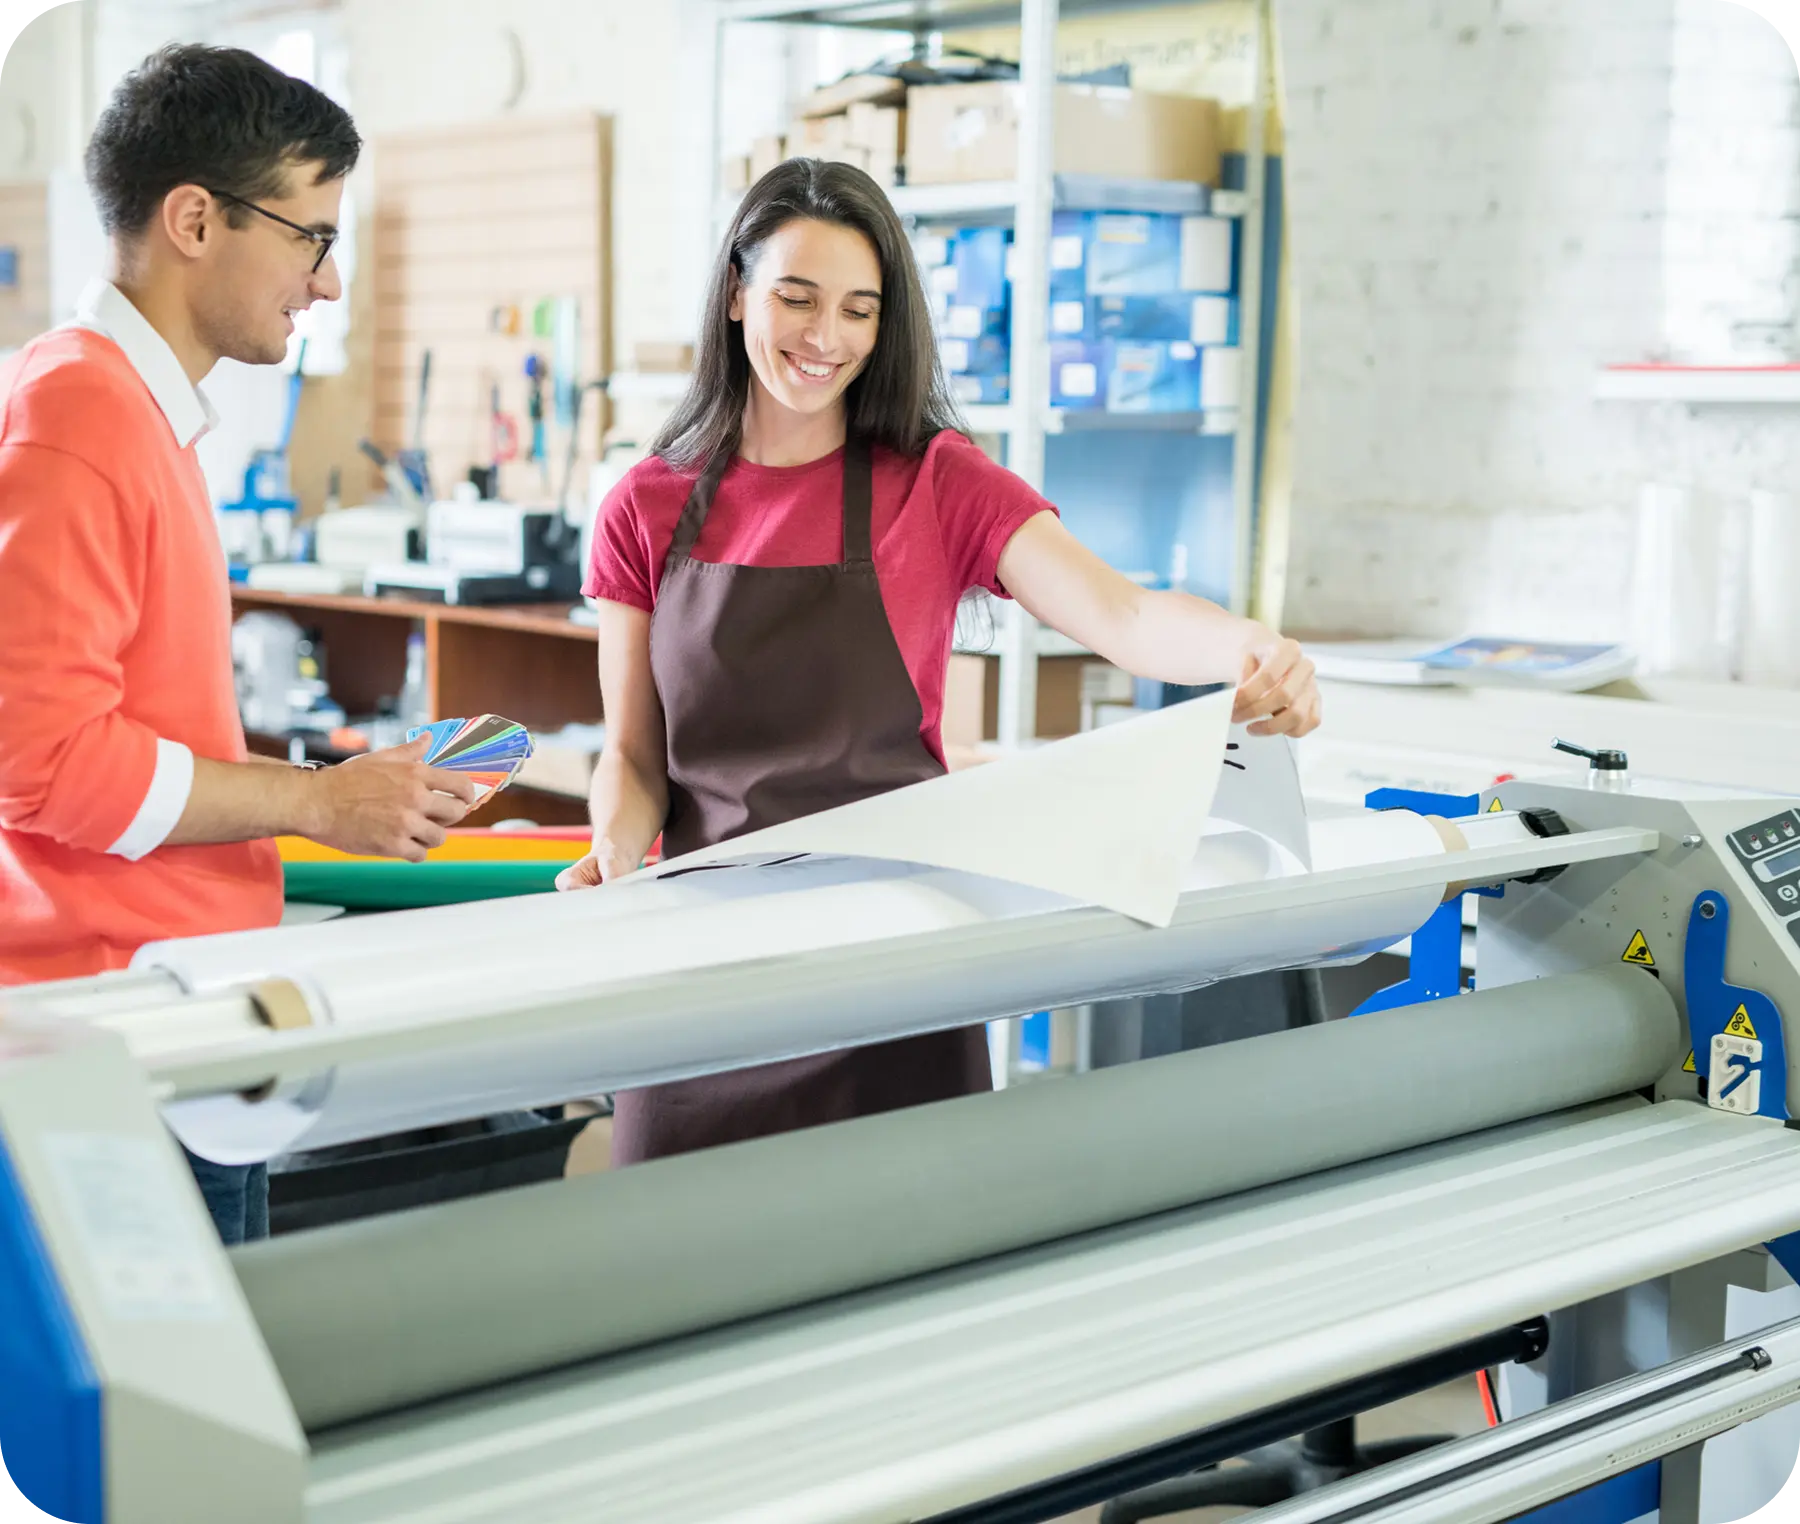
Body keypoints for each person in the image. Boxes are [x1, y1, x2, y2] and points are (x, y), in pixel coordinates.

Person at [559, 157, 1321, 1165]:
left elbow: (1124, 613)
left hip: (899, 962)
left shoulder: (938, 482)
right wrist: (615, 848)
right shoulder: (644, 508)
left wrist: (1248, 647)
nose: (825, 338)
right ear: (737, 291)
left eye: (859, 311)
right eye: (796, 297)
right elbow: (635, 756)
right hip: (710, 971)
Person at [0, 45, 479, 1241]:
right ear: (195, 220)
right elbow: (43, 761)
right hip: (120, 1036)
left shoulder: (132, 416)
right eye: (310, 236)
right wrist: (318, 802)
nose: (325, 282)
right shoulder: (80, 417)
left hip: (170, 1011)